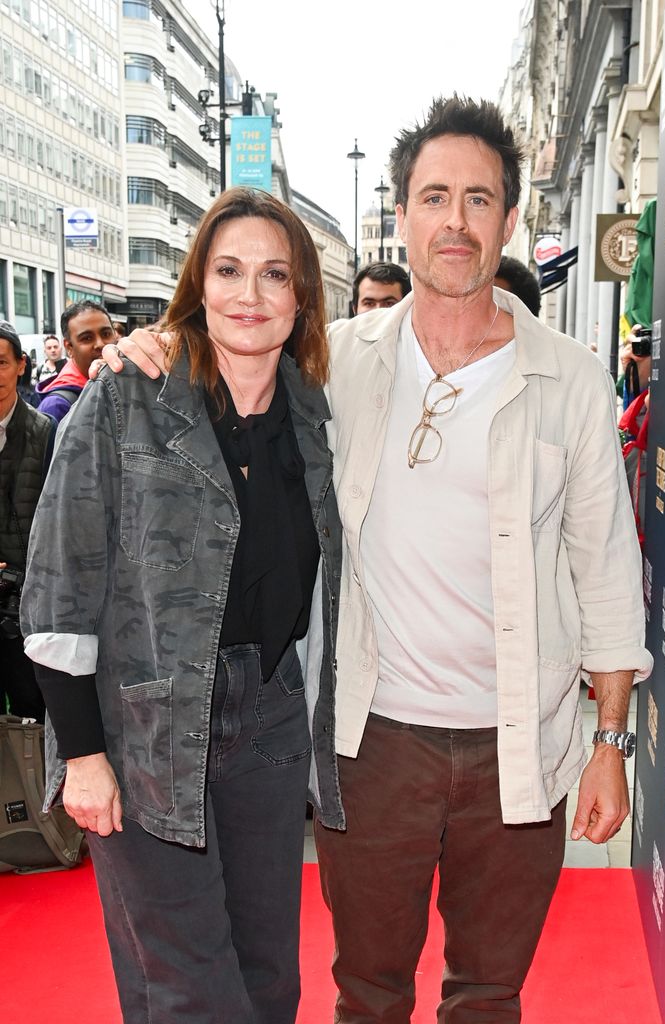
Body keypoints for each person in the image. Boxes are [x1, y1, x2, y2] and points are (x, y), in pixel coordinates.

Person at [99, 95, 651, 1023]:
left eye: (479, 200)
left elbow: (605, 570)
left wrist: (608, 747)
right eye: (435, 197)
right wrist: (157, 342)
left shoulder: (572, 381)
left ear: (509, 218)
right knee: (368, 993)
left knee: (489, 994)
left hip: (523, 744)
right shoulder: (336, 361)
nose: (456, 221)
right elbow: (230, 353)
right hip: (371, 742)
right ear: (402, 215)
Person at [21, 188, 343, 1024]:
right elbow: (59, 583)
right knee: (191, 987)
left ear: (301, 294)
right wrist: (82, 755)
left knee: (269, 978)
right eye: (228, 270)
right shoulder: (125, 398)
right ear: (198, 283)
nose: (250, 294)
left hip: (269, 719)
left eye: (274, 275)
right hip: (146, 726)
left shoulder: (314, 415)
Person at [0, 320, 53, 721]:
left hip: (25, 601)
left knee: (30, 709)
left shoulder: (44, 430)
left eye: (1, 363)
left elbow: (53, 520)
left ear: (20, 365)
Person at [35, 301, 116, 423]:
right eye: (87, 338)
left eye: (106, 334)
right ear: (69, 347)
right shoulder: (56, 406)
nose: (100, 344)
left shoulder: (126, 384)